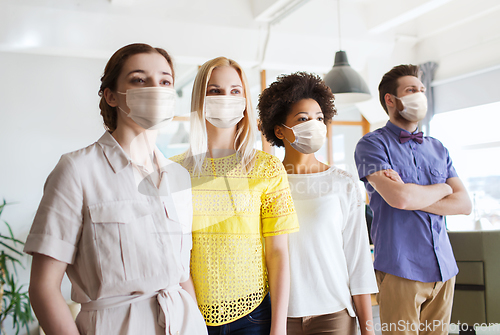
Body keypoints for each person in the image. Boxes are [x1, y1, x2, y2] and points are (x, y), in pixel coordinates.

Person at [24, 43, 207, 335]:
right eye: (138, 79)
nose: (155, 89)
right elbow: (43, 288)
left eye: (165, 81)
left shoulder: (179, 176)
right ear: (111, 96)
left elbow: (182, 276)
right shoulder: (77, 170)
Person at [170, 57, 299, 335]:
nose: (225, 98)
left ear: (244, 101)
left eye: (235, 91)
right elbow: (175, 254)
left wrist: (279, 328)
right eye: (214, 90)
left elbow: (278, 253)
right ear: (200, 100)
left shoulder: (267, 168)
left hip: (254, 316)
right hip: (191, 314)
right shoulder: (173, 171)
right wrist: (192, 318)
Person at [354, 64, 472, 335]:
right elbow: (401, 198)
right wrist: (442, 188)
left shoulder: (438, 147)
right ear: (390, 100)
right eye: (411, 90)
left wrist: (412, 195)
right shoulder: (372, 145)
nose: (419, 95)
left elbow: (464, 204)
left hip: (444, 268)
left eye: (421, 89)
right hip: (400, 267)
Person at [258, 72, 378, 335]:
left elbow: (358, 263)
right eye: (302, 119)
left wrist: (368, 330)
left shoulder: (343, 183)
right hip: (277, 317)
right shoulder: (264, 184)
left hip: (334, 315)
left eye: (319, 118)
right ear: (279, 129)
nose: (314, 125)